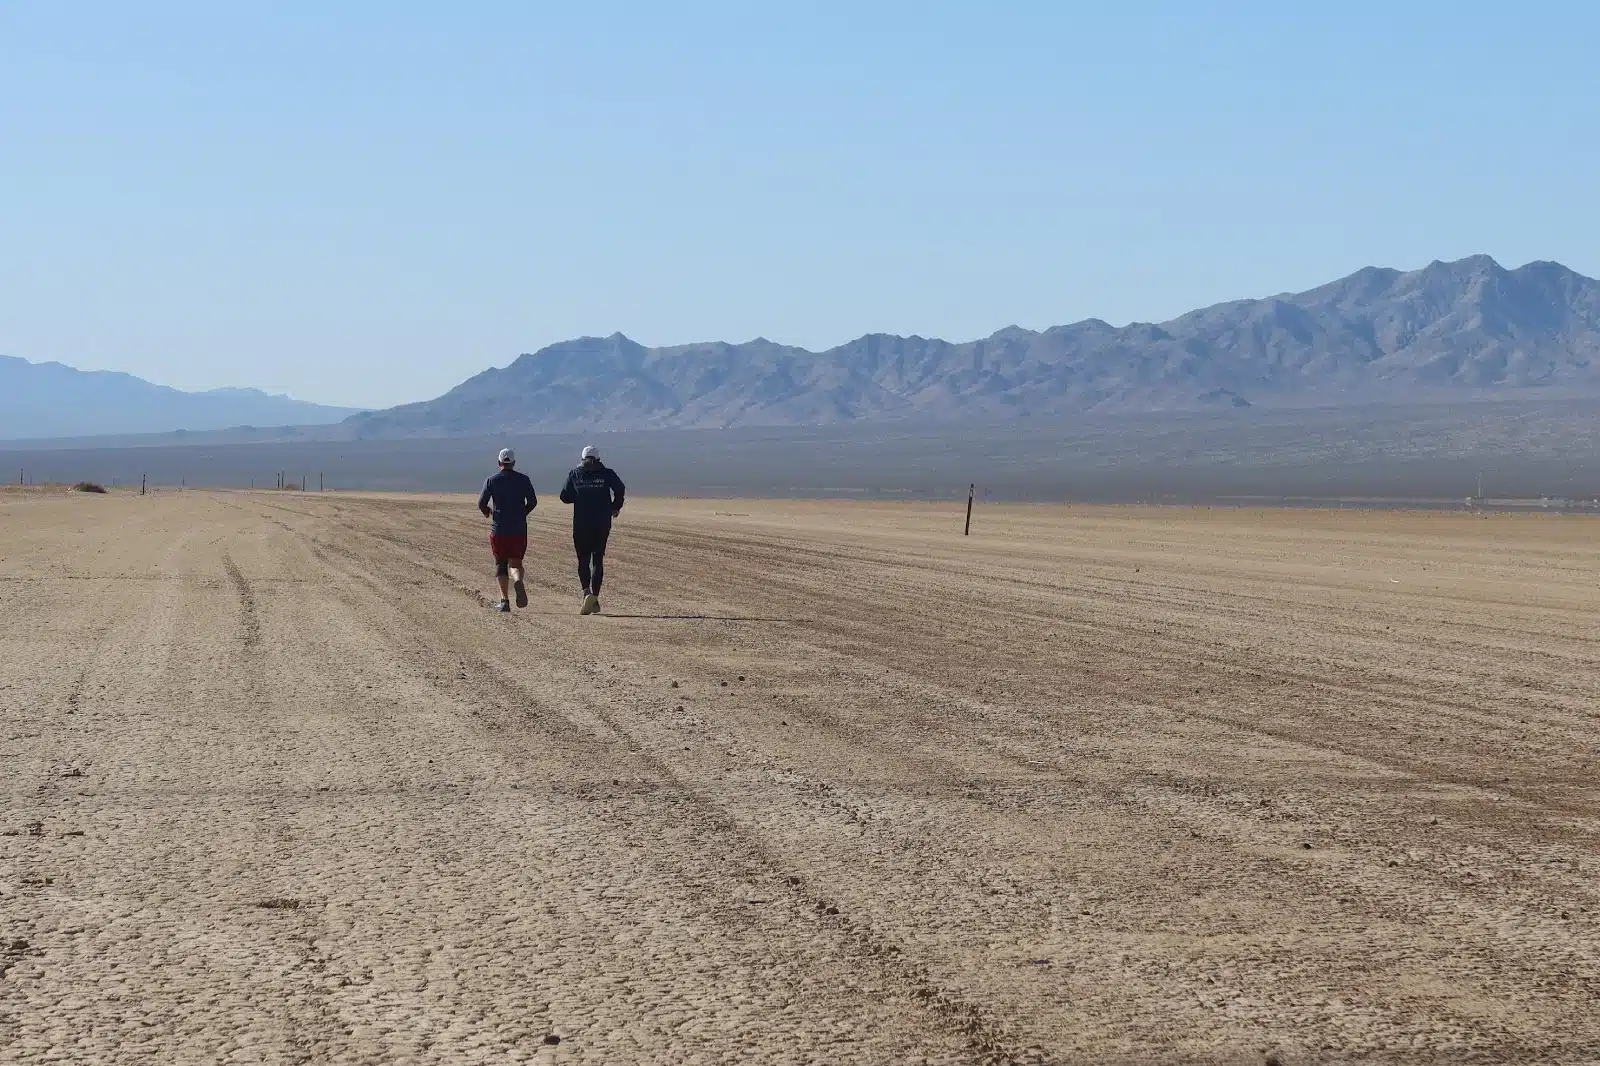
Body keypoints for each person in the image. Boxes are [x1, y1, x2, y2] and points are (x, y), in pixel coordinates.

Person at [558, 445, 625, 615]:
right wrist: (615, 507)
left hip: (581, 523)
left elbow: (564, 496)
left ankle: (586, 593)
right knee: (597, 559)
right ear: (598, 459)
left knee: (582, 559)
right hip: (602, 522)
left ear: (582, 459)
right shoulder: (607, 473)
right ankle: (594, 598)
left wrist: (580, 495)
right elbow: (620, 488)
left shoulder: (575, 474)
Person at [477, 447, 537, 612]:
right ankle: (517, 580)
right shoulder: (524, 480)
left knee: (500, 564)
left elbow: (482, 503)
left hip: (499, 529)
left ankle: (504, 601)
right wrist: (521, 513)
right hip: (518, 529)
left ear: (499, 463)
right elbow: (532, 501)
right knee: (516, 562)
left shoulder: (492, 480)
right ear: (514, 463)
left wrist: (488, 512)